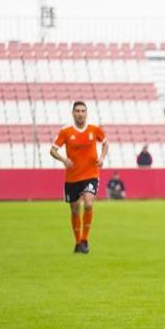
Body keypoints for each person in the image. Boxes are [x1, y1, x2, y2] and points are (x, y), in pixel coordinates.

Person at [50, 101, 109, 254]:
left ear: (86, 113)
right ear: (73, 113)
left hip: (91, 174)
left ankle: (85, 239)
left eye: (83, 111)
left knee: (88, 204)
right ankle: (77, 243)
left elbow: (105, 143)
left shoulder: (94, 129)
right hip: (72, 177)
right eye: (77, 111)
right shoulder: (66, 131)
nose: (80, 113)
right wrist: (64, 160)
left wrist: (102, 158)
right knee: (75, 209)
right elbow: (53, 150)